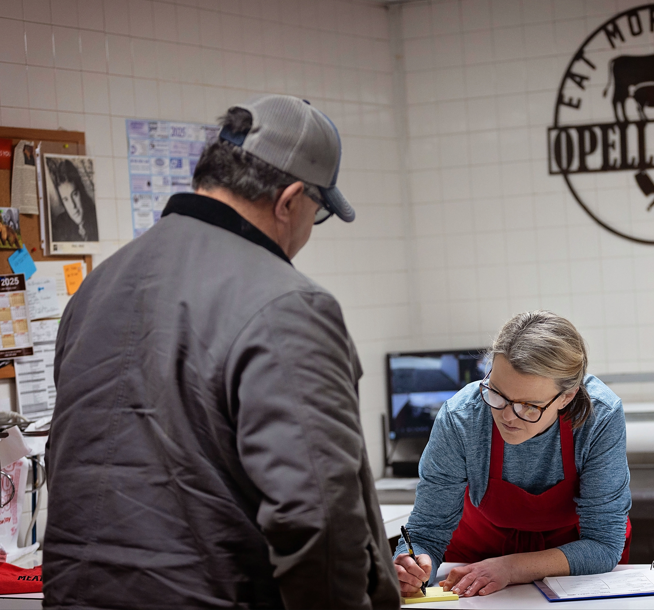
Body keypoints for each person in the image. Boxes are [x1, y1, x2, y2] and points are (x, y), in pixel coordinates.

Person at [43, 95, 400, 610]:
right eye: (316, 214)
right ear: (290, 200)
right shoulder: (288, 304)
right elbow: (316, 515)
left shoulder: (97, 287)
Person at [394, 311, 632, 598]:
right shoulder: (461, 418)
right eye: (496, 394)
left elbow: (603, 543)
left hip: (570, 563)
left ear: (566, 397)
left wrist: (510, 568)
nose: (507, 416)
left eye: (529, 405)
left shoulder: (600, 416)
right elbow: (426, 534)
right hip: (474, 561)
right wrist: (412, 567)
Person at [47, 159, 99, 242]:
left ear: (81, 191)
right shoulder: (60, 226)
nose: (73, 206)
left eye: (75, 195)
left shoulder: (97, 218)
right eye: (66, 199)